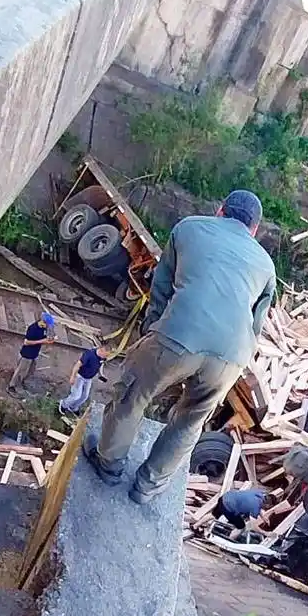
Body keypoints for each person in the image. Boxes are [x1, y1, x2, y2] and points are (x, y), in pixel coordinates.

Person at [83, 189, 276, 504]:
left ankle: (108, 464)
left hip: (180, 334)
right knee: (190, 421)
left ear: (220, 210)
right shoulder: (266, 266)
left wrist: (154, 330)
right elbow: (256, 325)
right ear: (254, 229)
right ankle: (146, 488)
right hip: (231, 357)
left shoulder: (189, 227)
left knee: (133, 394)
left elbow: (161, 285)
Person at [8, 312, 55, 394]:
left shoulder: (44, 329)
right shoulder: (33, 328)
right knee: (21, 370)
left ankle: (23, 382)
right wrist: (42, 341)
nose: (48, 326)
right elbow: (26, 342)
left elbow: (45, 337)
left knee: (30, 370)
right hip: (27, 354)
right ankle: (12, 386)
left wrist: (50, 339)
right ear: (43, 322)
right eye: (48, 324)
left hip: (34, 354)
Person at [59, 346, 109, 415]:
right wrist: (73, 377)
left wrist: (101, 375)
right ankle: (63, 404)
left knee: (84, 396)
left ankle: (73, 407)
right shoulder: (89, 354)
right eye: (106, 354)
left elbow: (100, 365)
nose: (106, 357)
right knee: (76, 395)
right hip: (80, 377)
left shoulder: (103, 358)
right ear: (102, 350)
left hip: (88, 379)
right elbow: (77, 365)